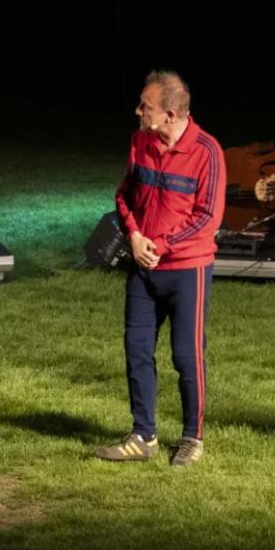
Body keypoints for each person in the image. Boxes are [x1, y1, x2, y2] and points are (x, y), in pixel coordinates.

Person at [95, 70, 226, 466]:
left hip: (188, 270)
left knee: (186, 356)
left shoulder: (207, 152)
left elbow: (208, 217)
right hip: (143, 267)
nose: (138, 111)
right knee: (136, 349)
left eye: (145, 106)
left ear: (170, 114)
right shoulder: (141, 141)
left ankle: (192, 438)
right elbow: (124, 195)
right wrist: (134, 235)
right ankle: (143, 435)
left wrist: (162, 245)